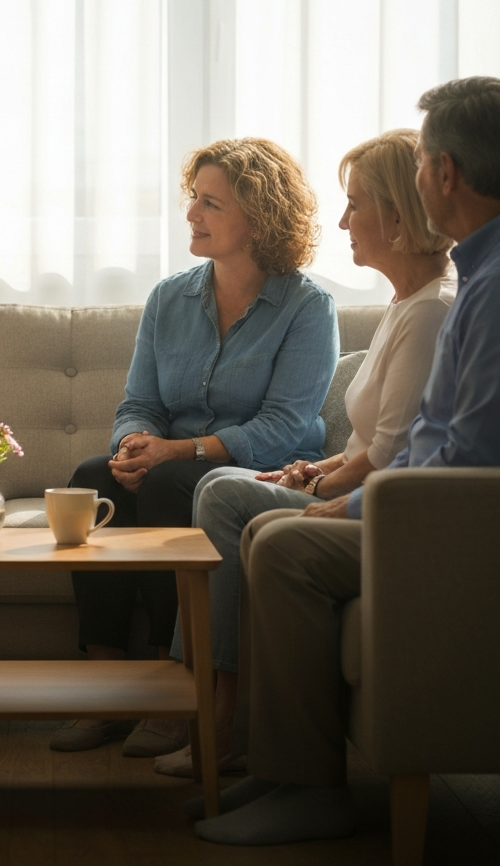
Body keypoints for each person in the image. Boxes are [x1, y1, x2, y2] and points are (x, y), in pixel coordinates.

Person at [192, 76, 500, 845]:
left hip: (445, 525)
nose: (344, 219)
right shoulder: (477, 278)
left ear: (444, 174)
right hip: (419, 506)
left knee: (281, 541)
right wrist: (330, 481)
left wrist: (353, 502)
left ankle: (305, 785)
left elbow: (467, 451)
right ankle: (284, 767)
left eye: (426, 158)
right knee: (267, 529)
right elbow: (432, 435)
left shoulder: (480, 293)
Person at [155, 128, 456, 778]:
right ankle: (211, 711)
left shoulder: (430, 313)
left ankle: (220, 712)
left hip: (387, 510)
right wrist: (316, 470)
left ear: (399, 215)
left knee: (219, 489)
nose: (343, 219)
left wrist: (320, 490)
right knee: (178, 484)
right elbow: (376, 446)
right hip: (353, 484)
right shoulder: (405, 306)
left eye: (357, 204)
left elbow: (389, 458)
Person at [51, 138, 339, 755]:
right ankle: (105, 690)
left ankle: (175, 690)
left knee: (169, 482)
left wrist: (177, 453)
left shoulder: (308, 307)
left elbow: (286, 425)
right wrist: (132, 443)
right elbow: (140, 403)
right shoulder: (169, 297)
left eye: (210, 203)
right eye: (194, 199)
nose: (191, 214)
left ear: (259, 218)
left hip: (256, 468)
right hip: (168, 461)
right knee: (90, 477)